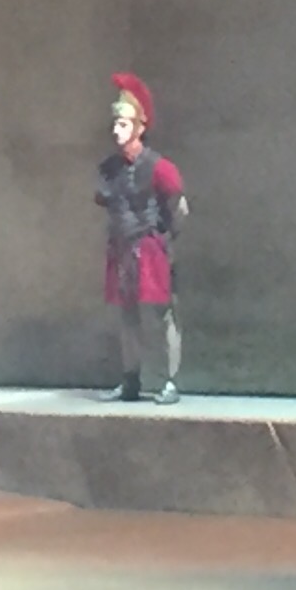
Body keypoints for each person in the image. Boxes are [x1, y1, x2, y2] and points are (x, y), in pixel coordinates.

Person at [96, 74, 187, 404]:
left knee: (162, 315)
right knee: (127, 316)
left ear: (139, 126)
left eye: (123, 124)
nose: (116, 130)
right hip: (122, 248)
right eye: (115, 123)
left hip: (151, 246)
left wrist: (166, 238)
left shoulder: (159, 167)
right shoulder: (110, 169)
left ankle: (169, 382)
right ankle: (130, 380)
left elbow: (179, 207)